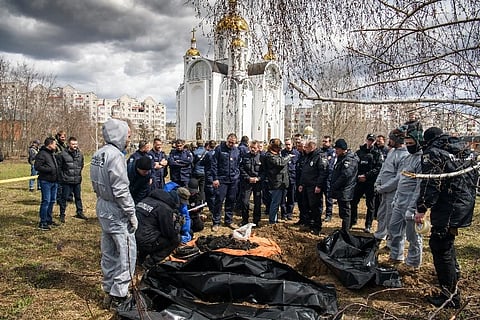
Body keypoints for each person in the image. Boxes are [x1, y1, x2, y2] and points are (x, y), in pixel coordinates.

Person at [415, 127, 477, 309]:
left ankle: (450, 296)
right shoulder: (465, 151)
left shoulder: (433, 153)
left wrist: (422, 208)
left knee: (440, 245)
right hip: (464, 204)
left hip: (448, 206)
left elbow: (431, 182)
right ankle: (454, 277)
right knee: (447, 243)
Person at [90, 118, 137, 309]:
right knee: (126, 252)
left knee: (108, 251)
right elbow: (121, 190)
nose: (129, 139)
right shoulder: (116, 156)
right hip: (117, 210)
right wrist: (131, 213)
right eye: (127, 135)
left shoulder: (98, 153)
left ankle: (109, 288)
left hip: (103, 206)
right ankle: (120, 293)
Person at [388, 127, 424, 269]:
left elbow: (419, 186)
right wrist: (396, 198)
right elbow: (401, 179)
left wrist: (413, 207)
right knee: (394, 229)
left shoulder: (421, 160)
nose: (408, 146)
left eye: (411, 144)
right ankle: (396, 256)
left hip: (411, 204)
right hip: (399, 202)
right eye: (407, 143)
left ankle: (413, 264)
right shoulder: (408, 158)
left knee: (413, 236)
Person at [374, 128, 408, 248]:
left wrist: (384, 188)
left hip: (393, 192)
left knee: (391, 217)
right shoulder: (391, 151)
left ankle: (391, 242)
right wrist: (377, 183)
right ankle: (379, 235)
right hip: (383, 190)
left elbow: (398, 177)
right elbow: (383, 169)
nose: (390, 141)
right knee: (381, 214)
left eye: (392, 139)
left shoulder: (405, 155)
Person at [135, 188, 182, 269]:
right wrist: (177, 224)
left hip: (132, 239)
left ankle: (140, 259)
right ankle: (149, 264)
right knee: (176, 239)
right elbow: (169, 233)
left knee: (149, 231)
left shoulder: (146, 200)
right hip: (145, 242)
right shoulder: (165, 209)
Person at [351, 133, 383, 232]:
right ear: (366, 140)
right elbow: (353, 166)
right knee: (353, 202)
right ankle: (353, 220)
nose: (370, 142)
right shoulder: (359, 152)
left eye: (372, 140)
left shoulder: (377, 153)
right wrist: (358, 176)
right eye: (369, 140)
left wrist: (367, 176)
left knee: (370, 205)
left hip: (370, 182)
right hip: (359, 181)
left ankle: (368, 225)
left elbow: (378, 168)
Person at [298, 140, 329, 235]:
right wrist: (301, 184)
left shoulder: (320, 156)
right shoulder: (307, 156)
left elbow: (323, 173)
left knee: (315, 207)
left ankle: (317, 226)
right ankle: (309, 224)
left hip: (314, 187)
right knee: (306, 206)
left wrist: (319, 186)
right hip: (306, 186)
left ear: (311, 147)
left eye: (306, 147)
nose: (305, 149)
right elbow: (304, 172)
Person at [211, 133, 241, 231]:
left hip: (233, 180)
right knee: (219, 200)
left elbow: (237, 164)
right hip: (221, 180)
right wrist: (215, 178)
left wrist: (237, 175)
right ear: (226, 140)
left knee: (231, 200)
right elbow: (214, 164)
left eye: (233, 143)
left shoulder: (236, 150)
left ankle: (228, 220)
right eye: (230, 142)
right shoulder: (219, 149)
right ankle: (216, 222)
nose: (231, 144)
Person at [330, 139, 358, 232]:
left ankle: (345, 230)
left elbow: (345, 175)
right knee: (342, 212)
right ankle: (344, 229)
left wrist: (335, 185)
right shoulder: (341, 158)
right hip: (341, 189)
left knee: (345, 212)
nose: (336, 151)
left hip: (345, 189)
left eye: (337, 149)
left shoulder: (349, 159)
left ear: (343, 149)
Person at [57, 136, 86, 223]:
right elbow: (59, 167)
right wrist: (63, 177)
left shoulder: (80, 154)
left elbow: (81, 165)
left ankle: (79, 212)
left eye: (76, 144)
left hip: (77, 180)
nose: (75, 146)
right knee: (64, 198)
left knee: (78, 197)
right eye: (73, 144)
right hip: (66, 180)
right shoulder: (62, 154)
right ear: (69, 144)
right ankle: (62, 214)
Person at [262, 138, 290, 225]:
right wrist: (288, 157)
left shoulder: (275, 154)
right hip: (276, 183)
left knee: (277, 203)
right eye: (278, 148)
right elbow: (280, 162)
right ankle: (272, 221)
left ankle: (275, 220)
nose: (280, 149)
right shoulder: (270, 156)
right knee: (275, 203)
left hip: (280, 182)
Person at [34, 137, 59, 230]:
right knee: (46, 201)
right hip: (45, 181)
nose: (55, 145)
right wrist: (49, 170)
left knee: (52, 201)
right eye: (54, 144)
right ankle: (43, 222)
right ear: (49, 145)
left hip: (54, 181)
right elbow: (37, 166)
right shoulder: (42, 154)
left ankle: (49, 219)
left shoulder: (52, 154)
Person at [239, 140, 263, 226]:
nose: (253, 149)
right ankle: (245, 219)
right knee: (245, 202)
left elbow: (264, 171)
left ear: (258, 148)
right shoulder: (245, 157)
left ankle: (256, 220)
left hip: (257, 183)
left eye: (255, 148)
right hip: (247, 182)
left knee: (257, 202)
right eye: (251, 148)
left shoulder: (261, 157)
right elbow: (241, 168)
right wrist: (248, 178)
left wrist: (258, 178)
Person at [280, 138, 299, 221]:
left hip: (292, 178)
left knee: (291, 198)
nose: (287, 146)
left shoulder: (297, 154)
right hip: (283, 179)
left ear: (292, 144)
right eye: (286, 144)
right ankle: (283, 214)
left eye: (289, 144)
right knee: (283, 198)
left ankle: (289, 213)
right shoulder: (282, 153)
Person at [320, 135, 335, 222]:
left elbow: (330, 164)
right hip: (320, 177)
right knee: (319, 198)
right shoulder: (320, 151)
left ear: (330, 142)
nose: (324, 143)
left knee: (328, 197)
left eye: (326, 141)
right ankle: (319, 212)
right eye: (323, 141)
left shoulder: (332, 152)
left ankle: (328, 214)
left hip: (328, 177)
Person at [200, 140, 217, 213]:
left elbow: (202, 162)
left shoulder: (208, 154)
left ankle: (213, 210)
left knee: (210, 195)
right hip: (215, 176)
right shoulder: (217, 153)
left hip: (209, 175)